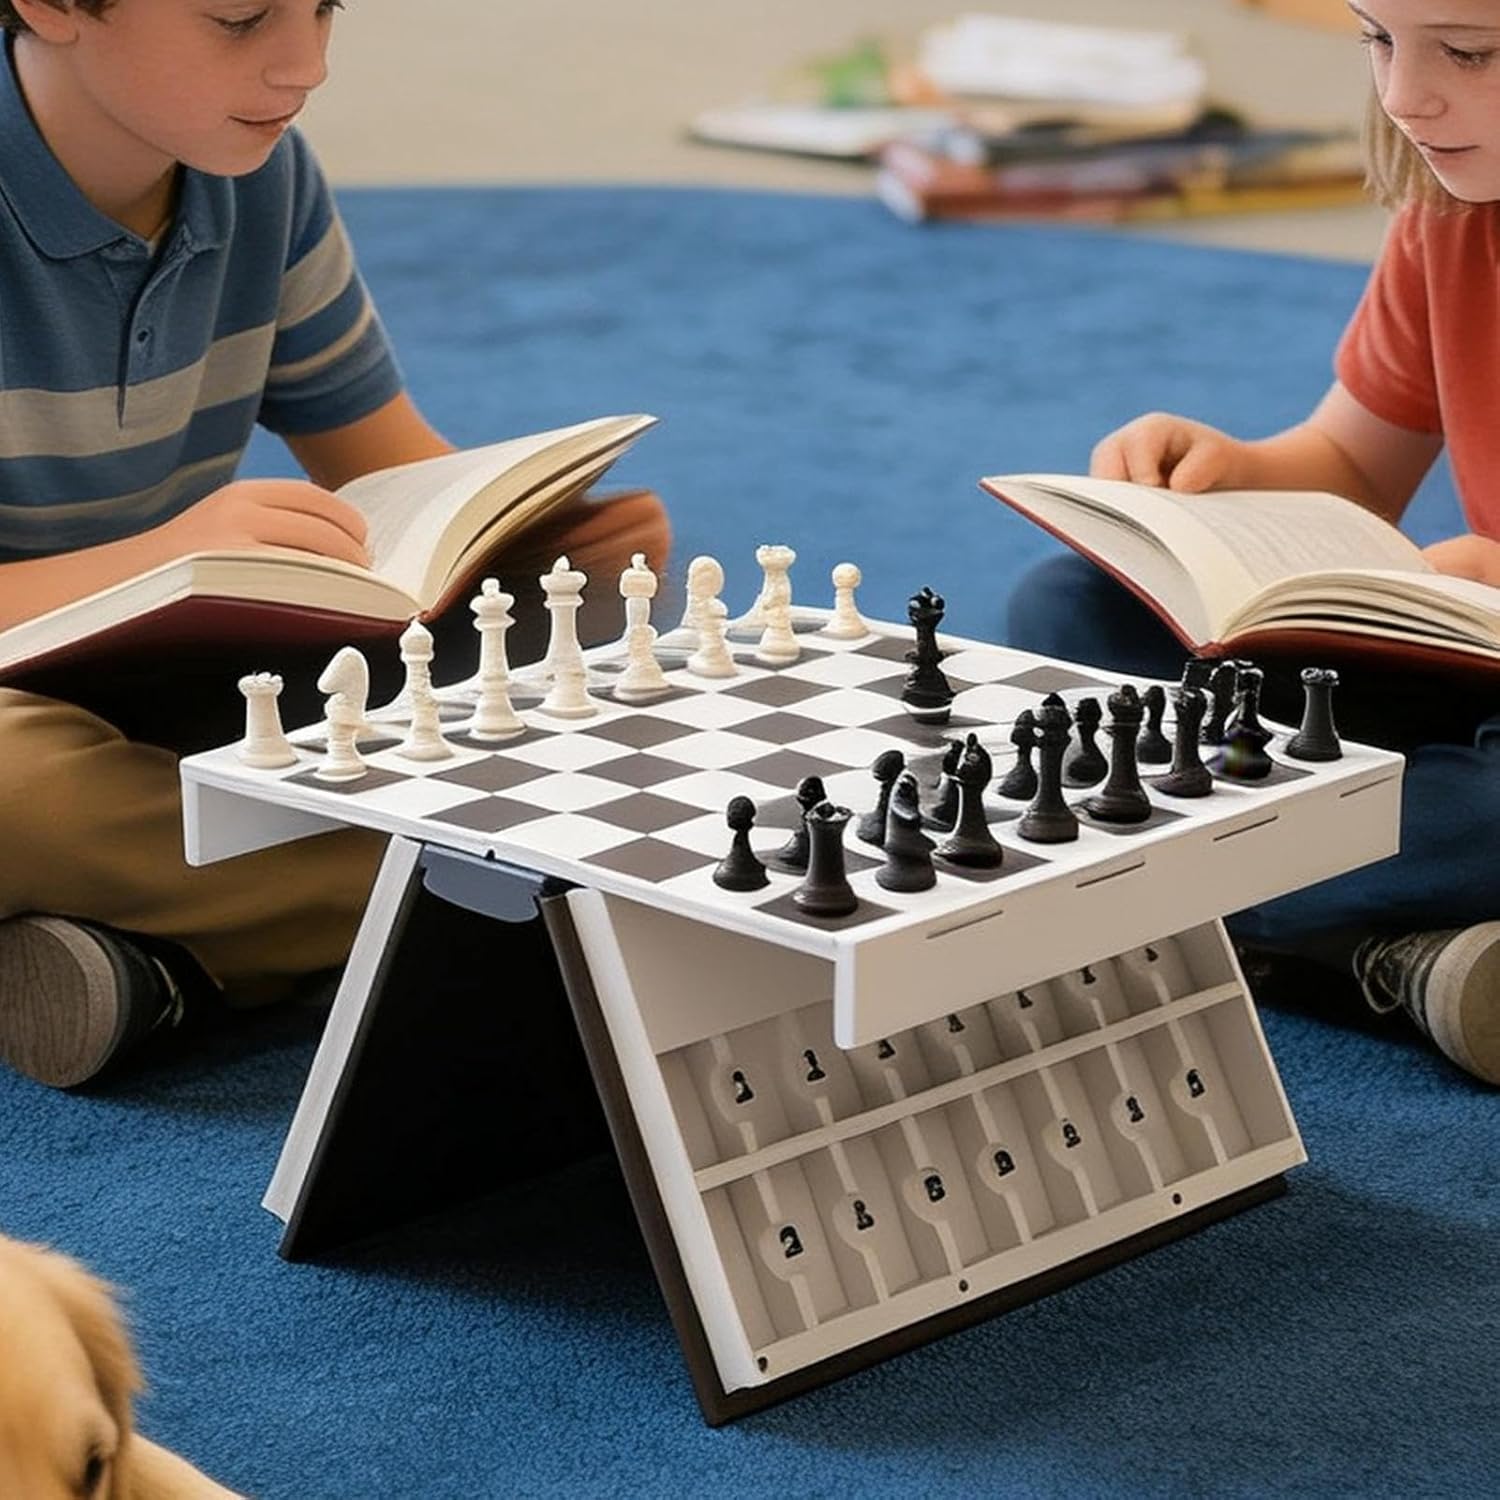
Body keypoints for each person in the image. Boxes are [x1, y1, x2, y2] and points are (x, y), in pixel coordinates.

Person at [0, 0, 669, 1089]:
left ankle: (173, 965)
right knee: (12, 789)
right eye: (238, 17)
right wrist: (167, 560)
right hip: (32, 701)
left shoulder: (261, 175)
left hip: (156, 659)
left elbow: (388, 463)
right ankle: (548, 894)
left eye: (323, 8)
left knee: (584, 568)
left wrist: (497, 529)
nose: (304, 64)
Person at [1007, 0, 1500, 1086]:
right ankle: (1369, 945)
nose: (1403, 94)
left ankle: (1135, 892)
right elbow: (1358, 466)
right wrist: (1227, 470)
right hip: (1466, 658)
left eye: (1467, 52)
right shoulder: (1450, 214)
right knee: (1065, 613)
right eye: (1379, 38)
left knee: (1480, 813)